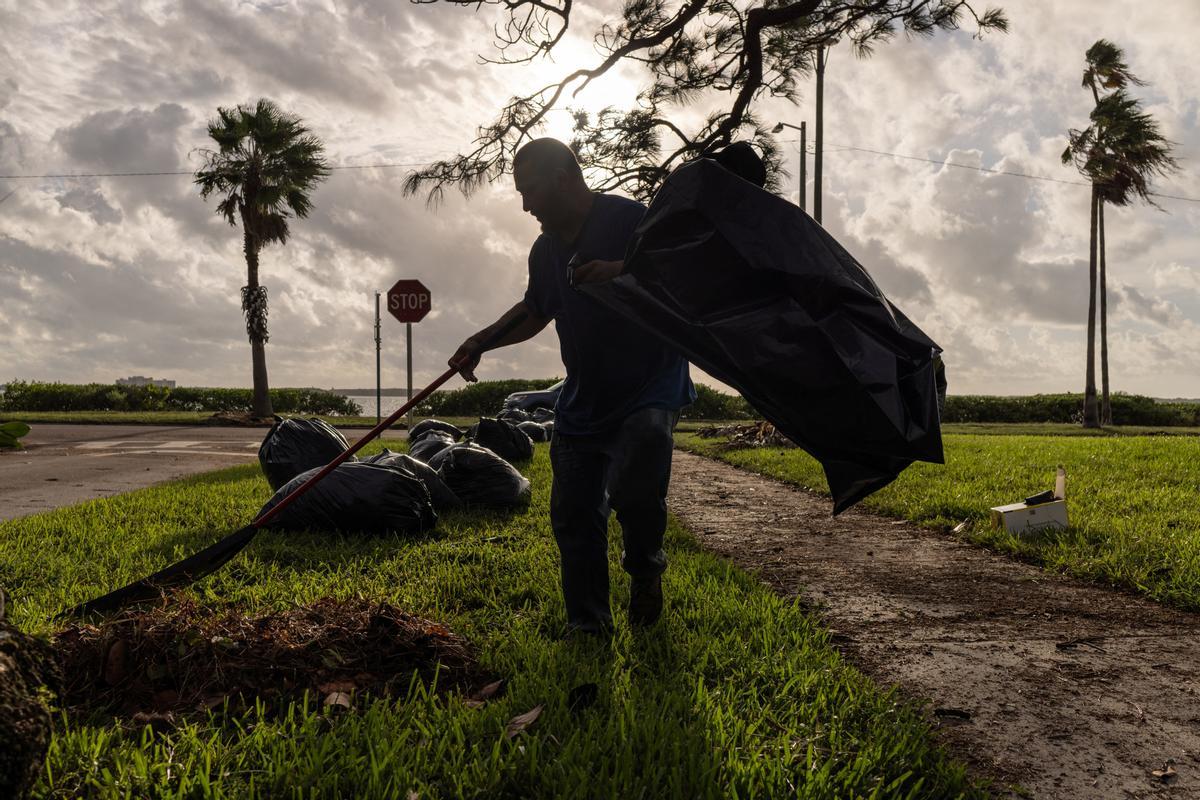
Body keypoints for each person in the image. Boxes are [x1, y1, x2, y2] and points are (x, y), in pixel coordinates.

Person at [448, 138, 695, 635]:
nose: (525, 205)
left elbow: (684, 276)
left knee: (640, 461)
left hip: (651, 384)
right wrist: (481, 340)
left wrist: (621, 271)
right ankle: (588, 627)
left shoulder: (629, 221)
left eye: (531, 190)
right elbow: (537, 310)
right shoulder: (545, 250)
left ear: (563, 177)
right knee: (574, 514)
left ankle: (644, 568)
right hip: (585, 397)